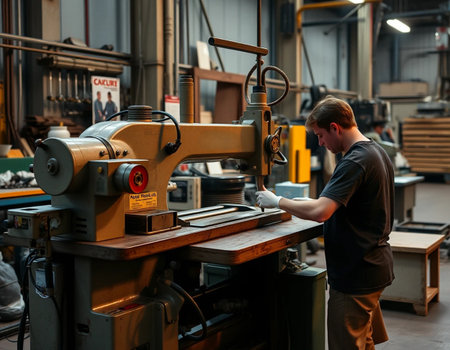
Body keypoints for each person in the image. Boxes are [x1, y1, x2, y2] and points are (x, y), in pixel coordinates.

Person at [256, 96, 394, 350]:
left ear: (335, 127)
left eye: (320, 135)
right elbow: (339, 202)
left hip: (356, 275)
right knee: (364, 341)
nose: (320, 142)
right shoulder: (376, 152)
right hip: (372, 265)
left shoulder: (354, 161)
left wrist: (277, 201)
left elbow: (321, 211)